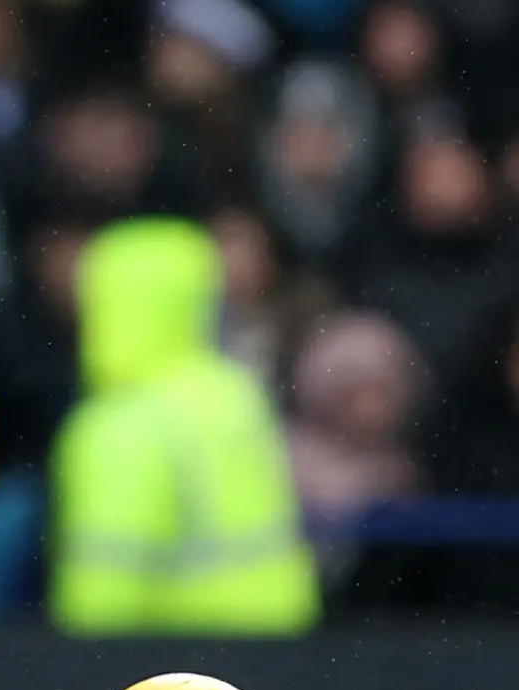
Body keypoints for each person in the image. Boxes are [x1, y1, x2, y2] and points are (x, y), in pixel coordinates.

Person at [47, 217, 319, 635]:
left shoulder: (116, 425)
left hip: (170, 666)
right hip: (274, 647)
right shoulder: (239, 395)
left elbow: (102, 595)